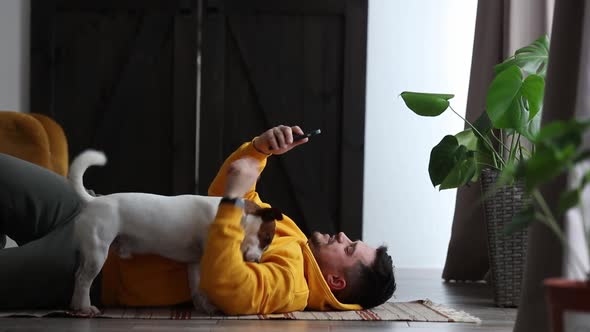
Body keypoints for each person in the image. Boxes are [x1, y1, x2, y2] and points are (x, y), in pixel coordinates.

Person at [0, 125, 396, 314]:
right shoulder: (290, 232)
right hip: (100, 210)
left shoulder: (291, 283)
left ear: (336, 282)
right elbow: (232, 198)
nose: (343, 234)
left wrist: (229, 204)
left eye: (349, 247)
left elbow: (231, 290)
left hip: (98, 269)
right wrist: (259, 151)